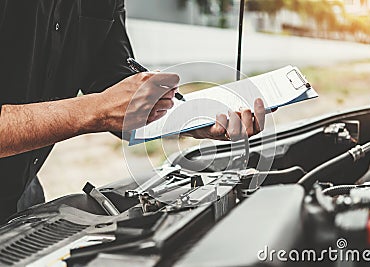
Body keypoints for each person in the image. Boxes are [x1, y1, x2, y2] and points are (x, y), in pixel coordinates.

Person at [0, 0, 266, 223]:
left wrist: (189, 118)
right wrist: (94, 110)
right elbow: (105, 105)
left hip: (24, 200)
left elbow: (117, 89)